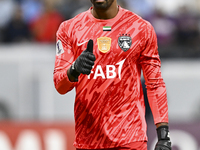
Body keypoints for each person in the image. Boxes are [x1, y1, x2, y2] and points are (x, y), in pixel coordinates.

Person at [53, 0, 171, 150]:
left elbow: (155, 84)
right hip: (88, 141)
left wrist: (163, 134)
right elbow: (59, 85)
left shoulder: (141, 28)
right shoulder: (69, 29)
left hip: (130, 139)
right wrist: (74, 69)